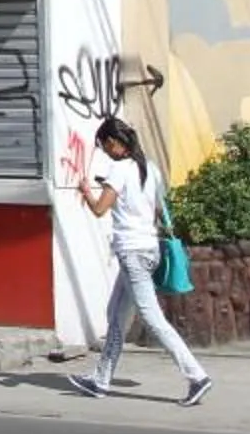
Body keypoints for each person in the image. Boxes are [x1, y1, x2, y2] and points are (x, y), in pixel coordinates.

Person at [70, 117, 212, 407]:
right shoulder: (152, 169)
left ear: (113, 143)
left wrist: (87, 190)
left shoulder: (119, 169)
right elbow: (158, 209)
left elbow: (99, 209)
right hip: (148, 249)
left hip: (132, 253)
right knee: (115, 314)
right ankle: (100, 380)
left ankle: (196, 375)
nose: (105, 151)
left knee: (152, 318)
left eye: (104, 146)